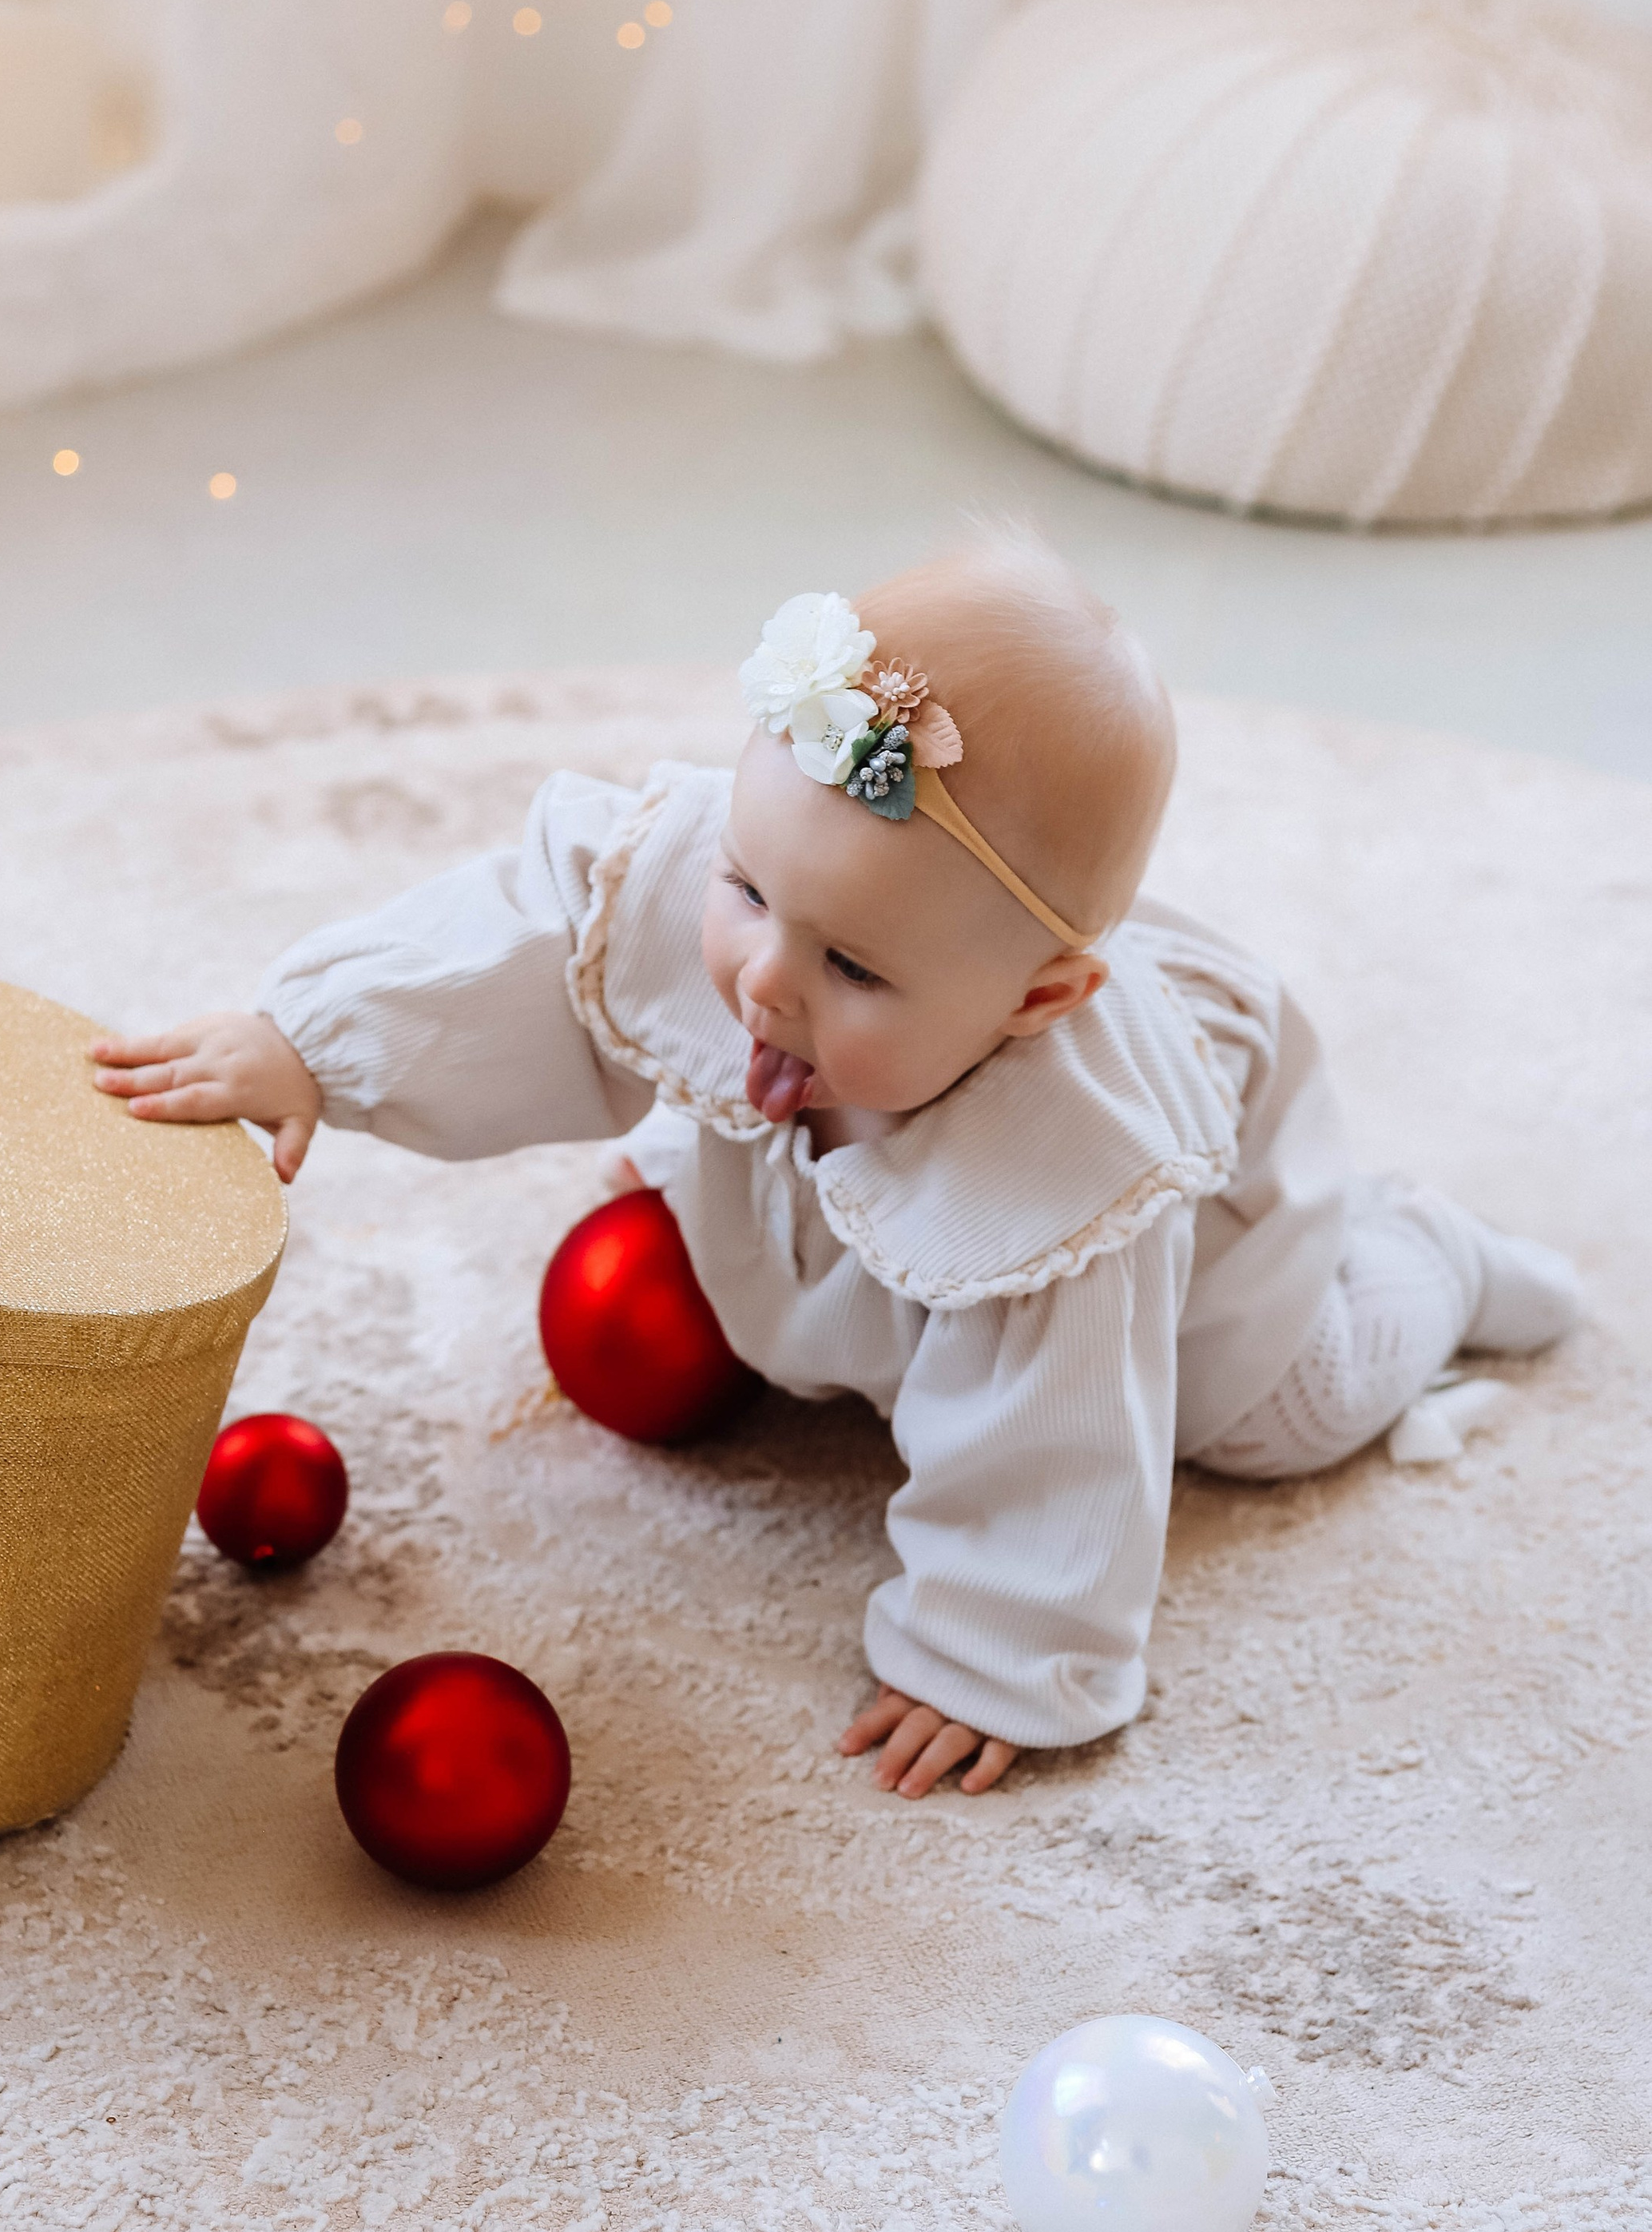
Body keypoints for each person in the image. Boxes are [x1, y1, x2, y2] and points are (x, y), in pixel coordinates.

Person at [92, 536, 1582, 1799]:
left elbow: (1063, 1433)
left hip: (1212, 1296)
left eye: (851, 963)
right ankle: (831, 1268)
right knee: (722, 1141)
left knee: (1271, 1413)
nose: (760, 980)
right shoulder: (760, 899)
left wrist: (997, 1649)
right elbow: (541, 947)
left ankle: (1428, 1260)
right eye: (748, 888)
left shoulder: (1077, 1165)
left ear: (1038, 1000)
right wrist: (316, 1042)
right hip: (862, 1134)